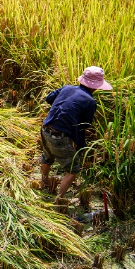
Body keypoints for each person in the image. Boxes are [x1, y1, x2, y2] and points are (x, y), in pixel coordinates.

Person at [40, 66, 110, 198]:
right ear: (96, 86)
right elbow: (83, 126)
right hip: (59, 136)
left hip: (45, 128)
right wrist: (80, 144)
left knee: (47, 157)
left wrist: (63, 108)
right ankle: (59, 198)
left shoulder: (67, 88)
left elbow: (49, 98)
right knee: (73, 169)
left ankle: (43, 183)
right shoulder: (90, 102)